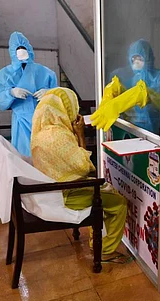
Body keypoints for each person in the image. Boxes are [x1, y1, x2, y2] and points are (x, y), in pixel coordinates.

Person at [30, 87, 127, 259]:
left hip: (52, 191)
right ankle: (105, 251)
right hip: (66, 194)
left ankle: (95, 240)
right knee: (118, 203)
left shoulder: (42, 130)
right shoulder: (57, 135)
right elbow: (85, 167)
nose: (75, 111)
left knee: (104, 192)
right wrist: (80, 134)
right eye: (73, 107)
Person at [0, 32, 57, 157]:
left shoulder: (45, 72)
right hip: (21, 122)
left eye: (23, 50)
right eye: (18, 51)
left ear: (29, 50)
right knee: (25, 157)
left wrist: (50, 93)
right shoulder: (6, 74)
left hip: (45, 121)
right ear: (13, 53)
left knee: (47, 156)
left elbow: (60, 97)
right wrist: (10, 93)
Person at [109, 39, 160, 134]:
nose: (137, 62)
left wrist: (147, 93)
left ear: (148, 58)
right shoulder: (130, 79)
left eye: (140, 59)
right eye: (134, 59)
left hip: (155, 132)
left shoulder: (159, 76)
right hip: (133, 128)